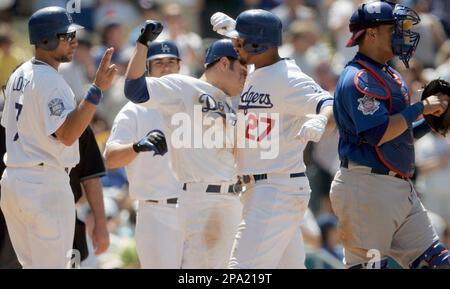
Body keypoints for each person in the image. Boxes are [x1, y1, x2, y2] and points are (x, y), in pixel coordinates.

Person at [210, 9, 334, 268]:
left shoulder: (288, 77)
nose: (235, 45)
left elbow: (328, 102)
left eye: (240, 40)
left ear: (257, 43)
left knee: (241, 270)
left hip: (275, 188)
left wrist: (321, 119)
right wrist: (236, 28)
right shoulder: (256, 70)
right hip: (263, 188)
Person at [331, 1, 450, 268]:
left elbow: (400, 134)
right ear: (371, 34)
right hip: (366, 188)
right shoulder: (358, 77)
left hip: (398, 187)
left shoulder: (390, 75)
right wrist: (421, 108)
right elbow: (380, 133)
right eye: (393, 28)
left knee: (438, 263)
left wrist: (432, 122)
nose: (401, 33)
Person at [0, 6, 116, 268]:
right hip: (44, 184)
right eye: (66, 36)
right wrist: (96, 89)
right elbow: (67, 134)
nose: (73, 42)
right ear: (46, 40)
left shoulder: (18, 74)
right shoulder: (50, 79)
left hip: (14, 181)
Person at [124, 22, 246, 268]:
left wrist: (238, 32)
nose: (246, 78)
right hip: (202, 199)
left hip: (232, 199)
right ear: (224, 63)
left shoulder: (229, 103)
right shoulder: (183, 87)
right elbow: (134, 89)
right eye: (242, 71)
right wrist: (142, 44)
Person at [104, 39, 184, 269]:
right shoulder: (134, 110)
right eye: (159, 63)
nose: (166, 68)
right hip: (157, 211)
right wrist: (137, 146)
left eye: (171, 62)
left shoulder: (192, 102)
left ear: (180, 66)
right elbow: (110, 158)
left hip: (195, 205)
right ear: (148, 68)